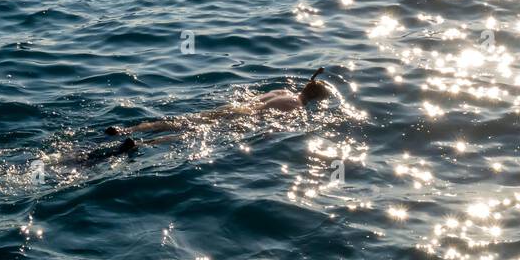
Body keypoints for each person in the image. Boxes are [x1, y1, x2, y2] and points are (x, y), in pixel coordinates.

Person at [80, 69, 335, 162]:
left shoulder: (279, 89)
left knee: (184, 121)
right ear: (315, 99)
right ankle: (142, 144)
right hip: (244, 120)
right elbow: (274, 128)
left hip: (236, 108)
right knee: (189, 134)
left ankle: (128, 130)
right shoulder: (297, 108)